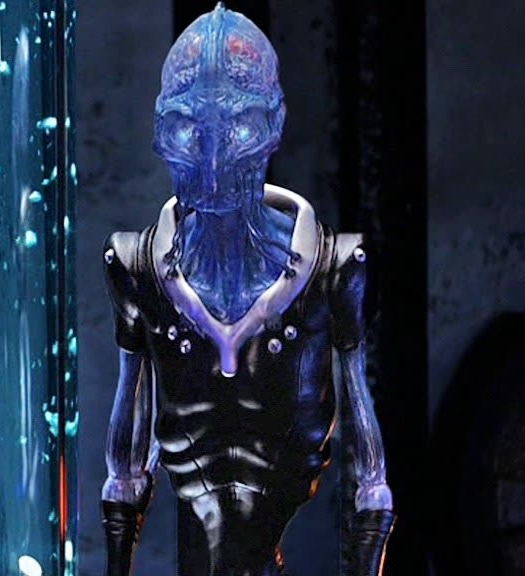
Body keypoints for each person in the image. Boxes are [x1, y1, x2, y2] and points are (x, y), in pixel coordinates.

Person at [100, 5, 395, 575]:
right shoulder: (136, 266)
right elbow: (126, 462)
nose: (213, 163)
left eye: (237, 128)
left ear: (273, 126)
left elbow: (371, 474)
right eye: (190, 130)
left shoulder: (334, 269)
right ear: (164, 134)